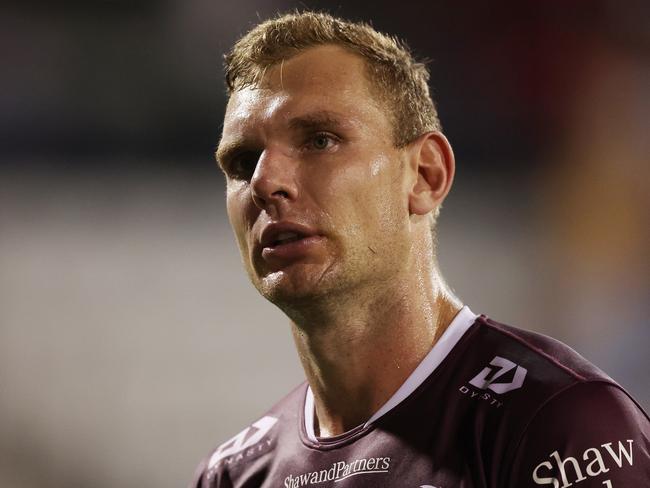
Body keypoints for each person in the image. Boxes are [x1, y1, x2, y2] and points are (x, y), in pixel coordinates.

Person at [190, 10, 650, 488]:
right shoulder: (234, 473)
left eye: (320, 140)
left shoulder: (554, 422)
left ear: (426, 175)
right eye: (243, 162)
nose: (265, 182)